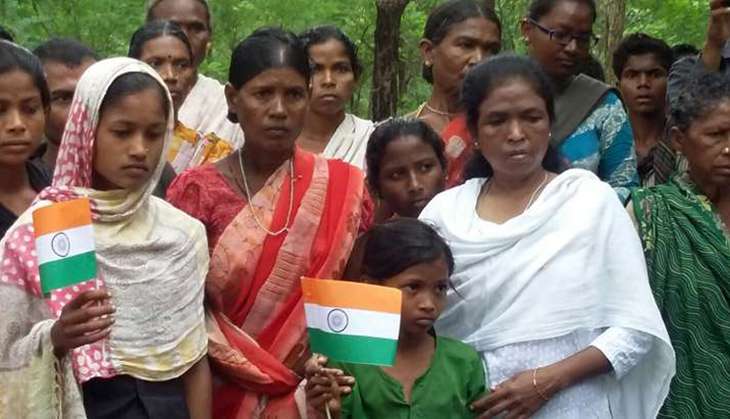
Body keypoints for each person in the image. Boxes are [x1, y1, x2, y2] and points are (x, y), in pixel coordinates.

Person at [419, 54, 674, 418]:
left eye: (531, 117)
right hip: (465, 406)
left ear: (551, 123)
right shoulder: (445, 214)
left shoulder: (589, 202)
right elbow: (410, 319)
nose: (516, 134)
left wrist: (547, 381)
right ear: (473, 133)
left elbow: (635, 331)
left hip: (573, 404)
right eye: (497, 121)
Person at [167, 28, 371, 419]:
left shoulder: (345, 188)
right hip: (208, 390)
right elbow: (179, 309)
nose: (279, 109)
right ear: (233, 98)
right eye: (263, 94)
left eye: (294, 94)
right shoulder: (195, 191)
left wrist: (326, 370)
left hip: (308, 395)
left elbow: (349, 294)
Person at [0, 57, 211, 418]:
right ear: (88, 129)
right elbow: (7, 353)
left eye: (154, 132)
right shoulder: (42, 230)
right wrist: (56, 338)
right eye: (122, 131)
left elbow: (193, 360)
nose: (140, 149)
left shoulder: (181, 234)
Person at [305, 218, 486, 419]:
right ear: (371, 287)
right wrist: (331, 411)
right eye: (413, 287)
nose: (428, 303)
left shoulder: (463, 363)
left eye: (440, 288)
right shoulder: (344, 363)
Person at [630, 71, 730, 418]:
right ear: (678, 139)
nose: (729, 148)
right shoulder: (648, 213)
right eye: (717, 135)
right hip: (680, 401)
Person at [521, 0, 638, 202]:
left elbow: (625, 188)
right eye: (560, 35)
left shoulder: (604, 105)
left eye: (583, 39)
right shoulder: (495, 98)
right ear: (527, 30)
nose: (572, 48)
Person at [412, 0, 502, 187]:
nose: (479, 60)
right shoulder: (401, 132)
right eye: (466, 45)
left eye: (491, 50)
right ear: (428, 52)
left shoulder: (503, 129)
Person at [129, 20, 232, 174]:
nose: (171, 76)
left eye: (182, 65)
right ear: (132, 68)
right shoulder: (103, 143)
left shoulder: (212, 154)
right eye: (156, 63)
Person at [146, 0, 244, 147]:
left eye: (196, 28)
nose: (184, 36)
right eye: (173, 27)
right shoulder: (119, 94)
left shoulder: (226, 104)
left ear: (209, 37)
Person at [297, 26, 373, 169]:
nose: (328, 80)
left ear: (356, 77)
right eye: (315, 70)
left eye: (341, 69)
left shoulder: (371, 139)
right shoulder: (273, 138)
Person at [0, 41, 51, 239]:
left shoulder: (56, 188)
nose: (17, 124)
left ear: (46, 111)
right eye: (0, 110)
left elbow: (76, 269)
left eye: (30, 109)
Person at [613, 33, 675, 186]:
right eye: (632, 75)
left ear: (670, 81)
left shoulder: (684, 143)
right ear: (618, 86)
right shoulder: (608, 146)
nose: (643, 83)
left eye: (655, 74)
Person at [33, 38, 98, 175]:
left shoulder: (135, 180)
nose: (80, 110)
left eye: (91, 95)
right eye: (63, 98)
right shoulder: (15, 185)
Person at [366, 117, 447, 219]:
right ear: (376, 187)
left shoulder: (469, 227)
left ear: (443, 167)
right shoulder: (379, 235)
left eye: (425, 167)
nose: (415, 185)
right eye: (396, 175)